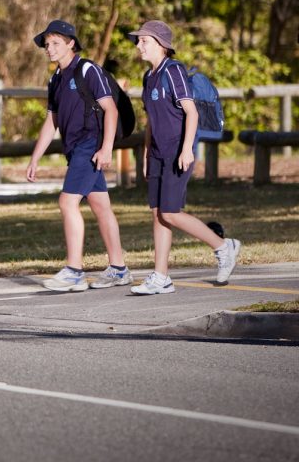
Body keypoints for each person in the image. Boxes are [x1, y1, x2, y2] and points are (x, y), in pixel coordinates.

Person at [127, 20, 240, 295]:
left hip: (178, 150)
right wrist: (145, 154)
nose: (138, 45)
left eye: (145, 40)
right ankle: (161, 277)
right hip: (156, 153)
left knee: (170, 213)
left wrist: (187, 149)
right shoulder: (147, 76)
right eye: (138, 40)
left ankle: (224, 247)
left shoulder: (173, 70)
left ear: (162, 45)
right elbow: (151, 120)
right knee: (157, 214)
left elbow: (191, 113)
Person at [26, 19, 131, 291]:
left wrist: (106, 147)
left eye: (55, 43)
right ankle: (119, 269)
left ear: (71, 43)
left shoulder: (87, 69)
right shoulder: (56, 79)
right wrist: (35, 158)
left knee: (66, 203)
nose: (49, 48)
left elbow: (111, 110)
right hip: (74, 149)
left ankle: (74, 270)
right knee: (100, 206)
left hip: (90, 144)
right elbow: (52, 121)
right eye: (47, 44)